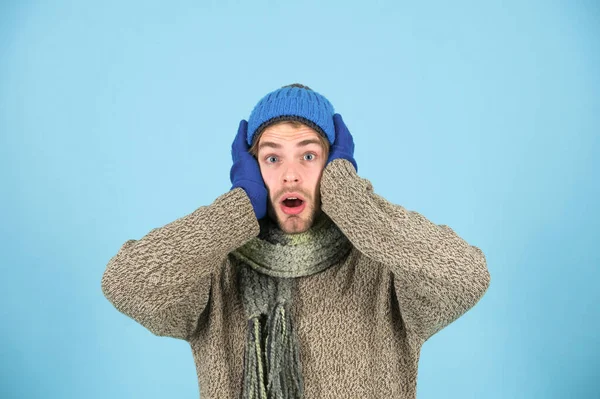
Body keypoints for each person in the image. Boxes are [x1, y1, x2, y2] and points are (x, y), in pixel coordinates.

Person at [101, 83, 491, 399]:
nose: (290, 176)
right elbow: (126, 283)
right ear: (251, 169)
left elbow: (465, 277)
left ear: (334, 164)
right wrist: (236, 207)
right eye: (272, 159)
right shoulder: (214, 271)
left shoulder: (385, 267)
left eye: (308, 156)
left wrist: (347, 195)